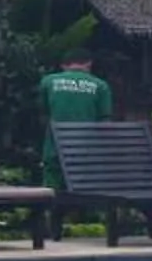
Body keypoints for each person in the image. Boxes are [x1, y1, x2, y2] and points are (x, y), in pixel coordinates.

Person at [37, 50, 112, 187]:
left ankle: (51, 208)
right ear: (89, 64)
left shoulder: (48, 81)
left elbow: (42, 112)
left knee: (53, 180)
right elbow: (104, 120)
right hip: (86, 150)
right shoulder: (101, 85)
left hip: (55, 146)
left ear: (63, 65)